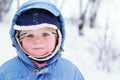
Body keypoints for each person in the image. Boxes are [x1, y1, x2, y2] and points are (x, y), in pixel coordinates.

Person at [0, 0, 84, 80]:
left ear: (58, 38)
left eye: (45, 34)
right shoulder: (6, 73)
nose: (37, 41)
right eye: (29, 35)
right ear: (18, 40)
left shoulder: (71, 73)